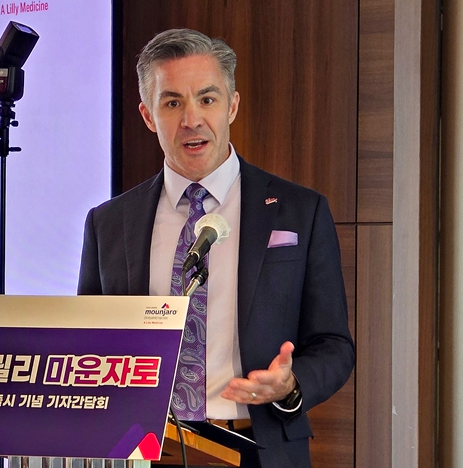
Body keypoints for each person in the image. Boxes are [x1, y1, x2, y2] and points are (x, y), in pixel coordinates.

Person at [77, 28, 355, 468]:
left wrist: (289, 385)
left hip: (259, 448)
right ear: (148, 115)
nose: (192, 119)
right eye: (172, 103)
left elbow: (334, 344)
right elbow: (90, 344)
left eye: (207, 99)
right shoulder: (109, 223)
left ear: (232, 106)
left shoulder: (301, 211)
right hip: (145, 451)